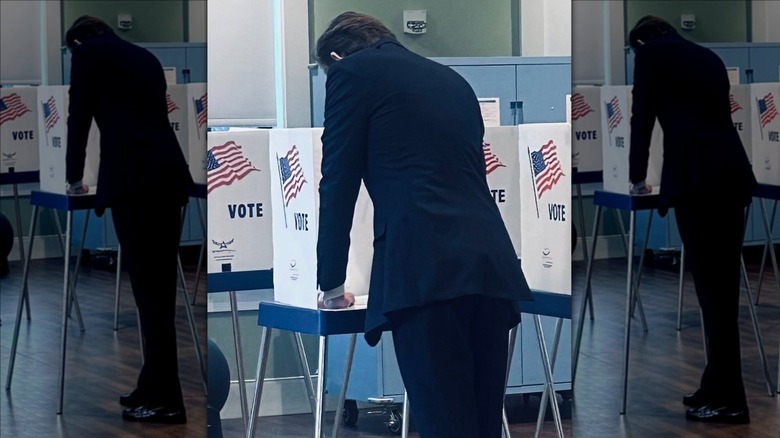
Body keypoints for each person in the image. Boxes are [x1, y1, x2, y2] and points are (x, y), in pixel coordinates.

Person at [313, 12, 534, 437]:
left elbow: (337, 179)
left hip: (426, 267)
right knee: (482, 422)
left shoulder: (350, 74)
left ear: (337, 56)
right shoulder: (449, 78)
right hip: (491, 263)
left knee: (444, 422)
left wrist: (332, 283)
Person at [628, 15, 757, 424]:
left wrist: (636, 177)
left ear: (641, 42)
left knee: (713, 295)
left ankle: (731, 401)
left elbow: (642, 116)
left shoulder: (651, 56)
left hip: (699, 184)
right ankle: (715, 383)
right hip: (731, 177)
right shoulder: (708, 56)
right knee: (720, 293)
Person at [65, 15, 194, 424]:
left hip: (135, 184)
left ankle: (167, 401)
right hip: (168, 178)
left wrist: (73, 177)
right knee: (156, 293)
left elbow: (78, 116)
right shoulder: (144, 56)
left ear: (77, 42)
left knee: (150, 296)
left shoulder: (88, 55)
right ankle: (151, 384)